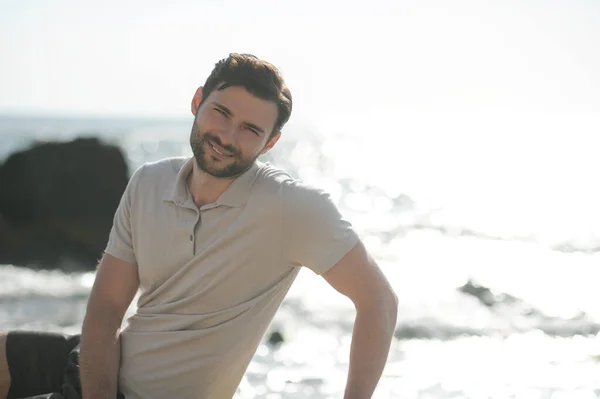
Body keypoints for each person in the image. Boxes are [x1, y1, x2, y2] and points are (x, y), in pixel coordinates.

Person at [0, 53, 399, 399]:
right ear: (197, 101)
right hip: (96, 360)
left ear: (271, 143)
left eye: (250, 130)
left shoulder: (291, 208)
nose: (227, 136)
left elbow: (378, 299)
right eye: (221, 113)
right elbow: (106, 309)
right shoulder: (148, 182)